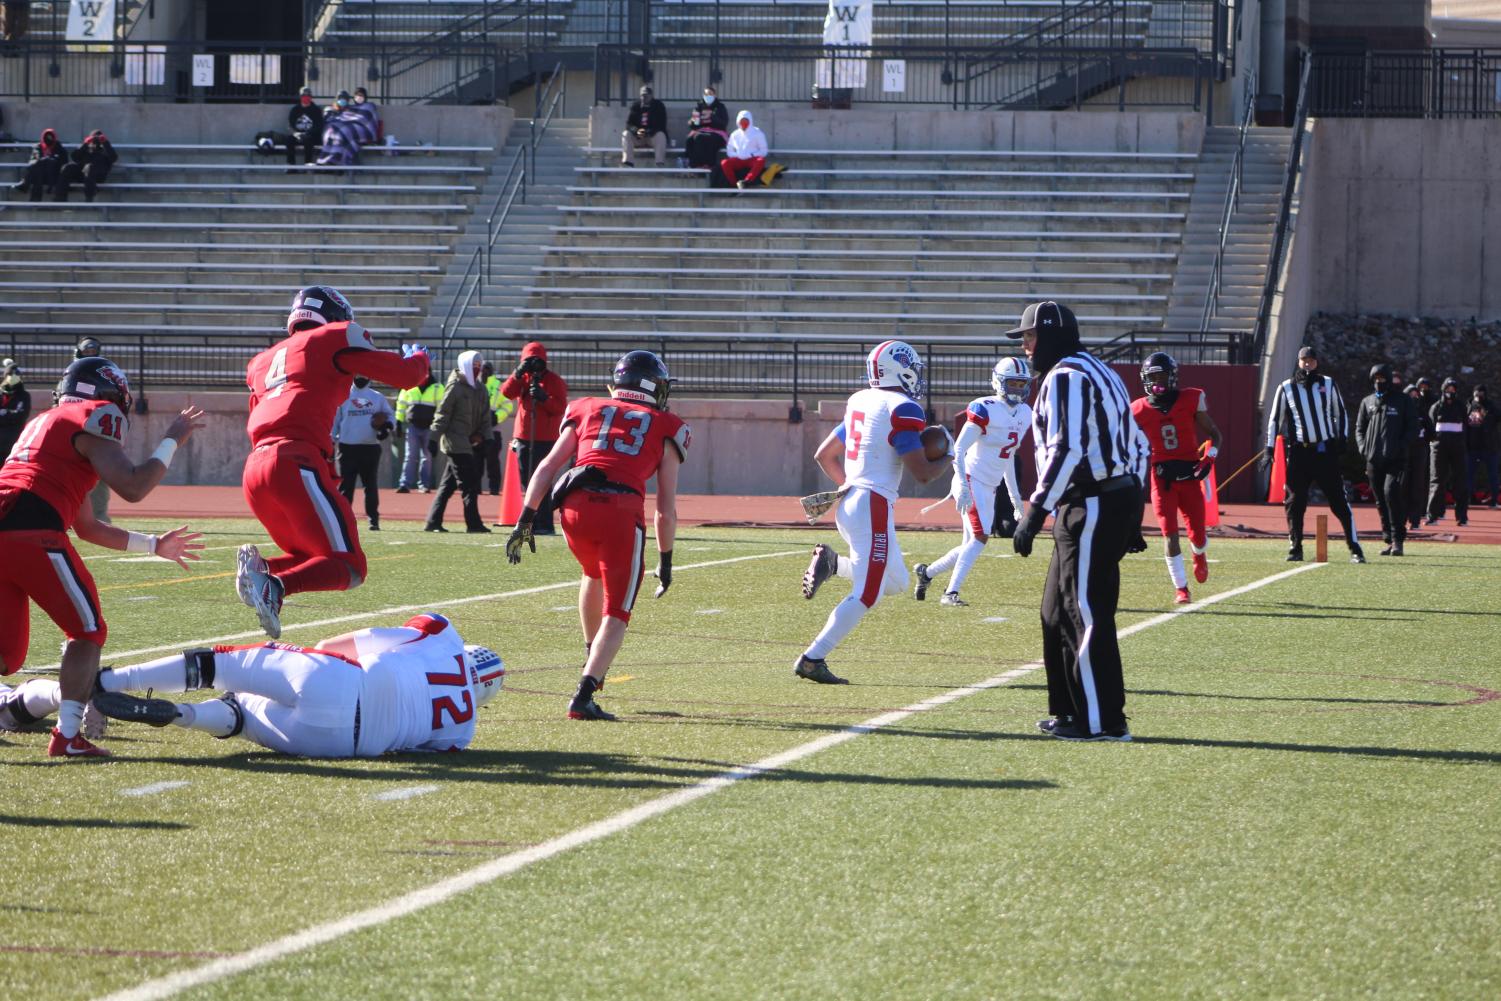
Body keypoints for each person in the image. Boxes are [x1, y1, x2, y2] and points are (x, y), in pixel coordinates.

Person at [0, 357, 204, 757]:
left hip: (11, 521)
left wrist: (153, 545)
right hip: (31, 527)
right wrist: (171, 440)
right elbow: (133, 486)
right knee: (87, 630)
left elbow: (87, 526)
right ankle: (68, 736)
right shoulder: (97, 413)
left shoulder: (45, 423)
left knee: (7, 655)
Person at [237, 286, 430, 640]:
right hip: (294, 459)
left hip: (255, 467)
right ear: (336, 316)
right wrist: (420, 359)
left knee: (313, 555)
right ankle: (274, 586)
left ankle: (262, 569)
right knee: (350, 565)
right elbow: (407, 377)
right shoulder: (335, 336)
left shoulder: (261, 361)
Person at [505, 351, 689, 721]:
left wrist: (525, 518)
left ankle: (592, 654)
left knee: (591, 574)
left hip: (573, 508)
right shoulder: (668, 424)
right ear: (656, 388)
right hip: (620, 513)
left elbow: (546, 466)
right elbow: (665, 508)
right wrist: (665, 560)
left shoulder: (585, 407)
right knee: (618, 612)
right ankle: (585, 692)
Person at [1006, 301, 1149, 742]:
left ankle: (1102, 721)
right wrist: (1135, 505)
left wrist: (1035, 510)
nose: (1026, 347)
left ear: (1048, 336)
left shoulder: (1065, 376)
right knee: (1055, 610)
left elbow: (1066, 449)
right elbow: (1139, 445)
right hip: (1107, 497)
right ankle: (1068, 710)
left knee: (1083, 610)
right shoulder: (1100, 370)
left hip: (1090, 501)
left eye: (1029, 337)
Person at [88, 613, 503, 757]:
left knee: (217, 665)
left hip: (340, 681)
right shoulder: (460, 733)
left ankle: (108, 680)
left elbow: (330, 646)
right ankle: (182, 716)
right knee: (241, 716)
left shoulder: (442, 635)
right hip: (344, 745)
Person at [795, 340, 951, 684]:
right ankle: (812, 658)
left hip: (852, 501)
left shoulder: (860, 401)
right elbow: (924, 474)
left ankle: (833, 564)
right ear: (903, 369)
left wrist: (848, 484)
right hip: (872, 505)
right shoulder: (903, 408)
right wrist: (949, 456)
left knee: (896, 582)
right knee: (867, 593)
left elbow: (824, 455)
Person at [913, 356, 1033, 607]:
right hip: (971, 478)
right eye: (1013, 383)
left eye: (1022, 384)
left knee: (971, 543)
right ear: (998, 382)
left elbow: (1008, 457)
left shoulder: (1025, 413)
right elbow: (958, 449)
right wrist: (965, 488)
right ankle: (950, 593)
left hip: (989, 484)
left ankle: (927, 573)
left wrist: (1015, 498)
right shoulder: (986, 408)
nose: (1018, 390)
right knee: (980, 537)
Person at [1129, 351, 1223, 604]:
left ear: (1172, 377)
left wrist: (1209, 459)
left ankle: (1199, 554)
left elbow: (1215, 434)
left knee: (1198, 535)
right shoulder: (1137, 409)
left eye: (1162, 375)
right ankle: (1181, 588)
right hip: (1162, 479)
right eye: (1153, 376)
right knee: (1169, 533)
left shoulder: (1191, 398)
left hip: (1190, 474)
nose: (1158, 381)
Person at [1264, 346, 1365, 563]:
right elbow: (1274, 419)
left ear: (1316, 362)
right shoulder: (1286, 387)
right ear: (1298, 362)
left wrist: (1341, 440)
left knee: (1338, 500)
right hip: (1300, 452)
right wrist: (1269, 449)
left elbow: (1340, 413)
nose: (1307, 364)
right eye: (1303, 360)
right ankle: (1295, 546)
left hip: (1324, 450)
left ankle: (1354, 547)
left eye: (1311, 360)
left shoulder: (1328, 384)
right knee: (1294, 501)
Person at [501, 341, 568, 535]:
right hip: (523, 437)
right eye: (529, 360)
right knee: (527, 481)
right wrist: (517, 373)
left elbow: (560, 408)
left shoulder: (554, 381)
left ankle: (545, 524)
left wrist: (544, 398)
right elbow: (507, 393)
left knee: (543, 482)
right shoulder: (524, 378)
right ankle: (532, 521)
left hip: (546, 439)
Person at [424, 350, 492, 534]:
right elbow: (442, 414)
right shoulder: (454, 387)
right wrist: (433, 438)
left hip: (468, 443)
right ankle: (473, 523)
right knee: (469, 484)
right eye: (474, 366)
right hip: (456, 443)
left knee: (447, 486)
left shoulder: (481, 390)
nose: (477, 370)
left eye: (479, 366)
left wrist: (488, 438)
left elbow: (485, 417)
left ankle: (432, 521)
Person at [1355, 363, 1418, 556]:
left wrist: (1401, 447)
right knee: (1380, 500)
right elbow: (1359, 428)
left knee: (1391, 493)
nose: (1379, 382)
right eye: (1376, 379)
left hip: (1396, 459)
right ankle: (1389, 539)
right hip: (1374, 459)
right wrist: (1364, 448)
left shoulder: (1403, 401)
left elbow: (1411, 427)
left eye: (1382, 379)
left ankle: (1398, 539)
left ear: (1389, 380)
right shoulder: (1367, 401)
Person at [332, 373, 394, 532]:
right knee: (346, 487)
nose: (361, 377)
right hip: (347, 446)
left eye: (364, 374)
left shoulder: (377, 397)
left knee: (370, 486)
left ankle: (373, 520)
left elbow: (389, 417)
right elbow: (335, 421)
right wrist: (331, 441)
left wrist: (386, 428)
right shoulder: (343, 396)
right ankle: (343, 520)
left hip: (370, 447)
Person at [74, 337, 114, 524]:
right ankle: (68, 514)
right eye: (86, 351)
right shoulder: (71, 372)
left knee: (100, 473)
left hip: (96, 425)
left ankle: (99, 516)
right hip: (74, 427)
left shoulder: (104, 372)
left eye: (92, 350)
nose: (89, 354)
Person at [395, 348, 443, 493]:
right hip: (413, 427)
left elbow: (441, 409)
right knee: (410, 456)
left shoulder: (437, 387)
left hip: (429, 427)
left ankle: (424, 484)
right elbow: (401, 404)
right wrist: (398, 421)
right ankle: (405, 484)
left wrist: (438, 428)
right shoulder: (409, 385)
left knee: (426, 457)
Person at [1426, 376, 1468, 526]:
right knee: (1437, 481)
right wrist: (1432, 443)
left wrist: (1464, 444)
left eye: (1453, 389)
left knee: (1460, 482)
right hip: (1438, 448)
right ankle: (1432, 516)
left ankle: (1462, 517)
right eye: (1448, 389)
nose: (1451, 392)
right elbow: (1429, 428)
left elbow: (1466, 427)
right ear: (1443, 390)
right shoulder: (1436, 407)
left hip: (1458, 448)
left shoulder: (1461, 407)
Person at [480, 361, 516, 496]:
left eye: (487, 369)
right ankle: (475, 489)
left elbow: (508, 406)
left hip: (494, 430)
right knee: (476, 462)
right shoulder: (474, 384)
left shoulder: (499, 386)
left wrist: (496, 418)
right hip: (476, 430)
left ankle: (494, 489)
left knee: (492, 462)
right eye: (483, 369)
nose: (485, 371)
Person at [53, 129, 116, 203]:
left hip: (97, 176)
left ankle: (89, 198)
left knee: (89, 167)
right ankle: (60, 197)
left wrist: (105, 142)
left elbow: (113, 158)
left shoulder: (105, 150)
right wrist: (86, 143)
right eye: (93, 138)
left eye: (97, 138)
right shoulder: (85, 148)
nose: (95, 140)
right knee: (68, 167)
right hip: (83, 175)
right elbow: (74, 157)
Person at [318, 90, 378, 167]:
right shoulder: (331, 109)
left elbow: (357, 119)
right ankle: (330, 160)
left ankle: (335, 160)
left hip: (353, 131)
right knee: (333, 133)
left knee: (344, 134)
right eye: (340, 98)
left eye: (361, 95)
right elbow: (329, 120)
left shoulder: (365, 107)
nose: (359, 97)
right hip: (335, 131)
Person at [1405, 377, 1434, 530]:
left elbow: (1431, 432)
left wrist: (1423, 440)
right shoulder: (1400, 413)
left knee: (1417, 485)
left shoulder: (1422, 413)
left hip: (1419, 452)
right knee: (1402, 486)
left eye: (1416, 395)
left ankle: (1415, 520)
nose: (1414, 397)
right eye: (1411, 394)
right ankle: (1400, 519)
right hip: (1403, 453)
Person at [1464, 384, 1499, 508]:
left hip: (1489, 448)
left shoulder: (1491, 406)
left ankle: (1494, 499)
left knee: (1493, 475)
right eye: (1477, 393)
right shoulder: (1468, 406)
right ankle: (1469, 498)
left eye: (1481, 393)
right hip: (1472, 447)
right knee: (1469, 474)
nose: (1479, 396)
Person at [11, 128, 65, 202]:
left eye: (50, 137)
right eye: (47, 137)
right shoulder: (38, 147)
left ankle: (25, 185)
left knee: (45, 162)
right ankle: (35, 200)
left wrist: (50, 159)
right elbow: (33, 160)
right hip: (40, 174)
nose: (48, 139)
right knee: (37, 168)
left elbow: (63, 162)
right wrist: (44, 160)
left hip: (53, 174)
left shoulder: (59, 147)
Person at [719, 110, 768, 191]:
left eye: (746, 121)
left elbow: (764, 151)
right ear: (738, 122)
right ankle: (734, 185)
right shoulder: (735, 134)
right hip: (738, 160)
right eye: (741, 121)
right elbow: (729, 150)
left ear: (750, 121)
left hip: (751, 159)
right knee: (724, 163)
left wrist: (751, 154)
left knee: (760, 160)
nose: (743, 123)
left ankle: (747, 181)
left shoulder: (758, 133)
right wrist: (738, 155)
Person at [621, 85, 668, 167]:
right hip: (638, 136)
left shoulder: (659, 105)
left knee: (661, 135)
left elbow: (662, 124)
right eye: (642, 95)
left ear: (651, 96)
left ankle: (659, 162)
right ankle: (628, 161)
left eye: (647, 95)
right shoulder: (635, 105)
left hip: (652, 136)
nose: (644, 97)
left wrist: (650, 132)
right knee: (626, 134)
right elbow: (628, 124)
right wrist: (637, 132)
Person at [684, 86, 730, 170]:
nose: (708, 96)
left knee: (702, 138)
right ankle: (691, 164)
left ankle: (707, 164)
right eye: (706, 94)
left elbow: (724, 123)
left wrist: (712, 117)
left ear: (715, 95)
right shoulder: (699, 107)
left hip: (717, 132)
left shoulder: (720, 107)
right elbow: (692, 125)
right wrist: (693, 121)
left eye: (710, 94)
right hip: (701, 130)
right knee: (690, 139)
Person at [0, 356, 31, 461]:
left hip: (13, 440)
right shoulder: (1, 394)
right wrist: (9, 414)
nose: (13, 377)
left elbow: (21, 416)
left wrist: (4, 413)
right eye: (10, 375)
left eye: (16, 375)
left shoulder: (24, 395)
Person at [285, 86, 324, 169]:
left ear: (311, 97)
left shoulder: (316, 110)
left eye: (308, 96)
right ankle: (290, 165)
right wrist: (296, 133)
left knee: (308, 139)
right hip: (297, 135)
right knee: (289, 139)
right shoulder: (295, 110)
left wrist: (307, 133)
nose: (306, 98)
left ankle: (308, 163)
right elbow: (290, 125)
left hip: (311, 135)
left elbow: (318, 126)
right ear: (300, 97)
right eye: (303, 96)